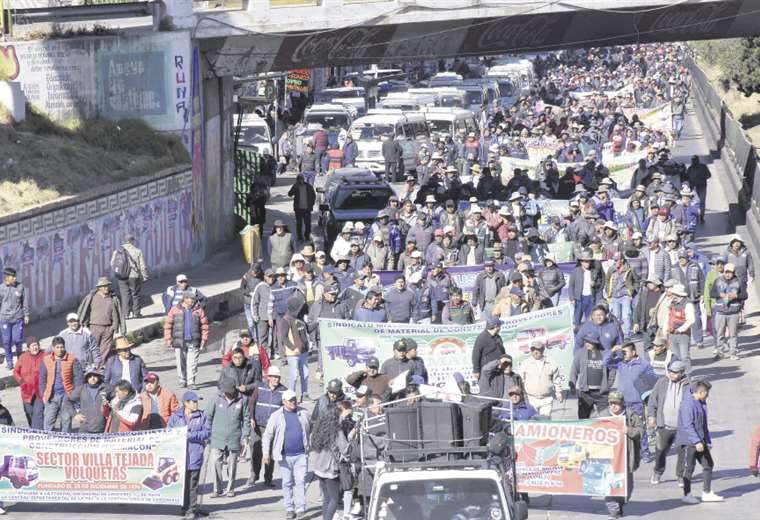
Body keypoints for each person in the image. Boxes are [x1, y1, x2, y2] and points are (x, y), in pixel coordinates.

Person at [262, 389, 311, 520]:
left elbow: (311, 429)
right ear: (284, 402)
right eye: (290, 400)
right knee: (287, 482)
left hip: (301, 454)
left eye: (294, 399)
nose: (294, 402)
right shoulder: (276, 416)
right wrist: (265, 453)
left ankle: (300, 508)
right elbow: (267, 436)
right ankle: (289, 508)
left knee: (300, 481)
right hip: (284, 456)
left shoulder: (304, 413)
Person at [676, 379, 724, 504]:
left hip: (700, 441)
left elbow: (703, 425)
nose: (708, 395)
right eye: (707, 393)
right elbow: (688, 425)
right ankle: (687, 494)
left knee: (708, 464)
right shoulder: (688, 404)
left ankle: (706, 493)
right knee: (689, 468)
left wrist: (707, 441)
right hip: (689, 442)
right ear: (701, 392)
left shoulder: (700, 403)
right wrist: (697, 441)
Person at [168, 390, 212, 520]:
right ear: (186, 403)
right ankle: (184, 507)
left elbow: (208, 432)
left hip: (195, 455)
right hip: (180, 456)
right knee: (183, 484)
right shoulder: (176, 416)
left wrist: (191, 435)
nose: (196, 404)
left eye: (197, 401)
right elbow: (168, 431)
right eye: (193, 401)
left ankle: (192, 509)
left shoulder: (202, 416)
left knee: (193, 484)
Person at [207, 377, 250, 498]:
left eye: (229, 391)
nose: (227, 393)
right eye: (224, 391)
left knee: (232, 465)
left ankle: (230, 488)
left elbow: (246, 419)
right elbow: (208, 417)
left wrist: (245, 436)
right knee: (216, 463)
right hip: (217, 438)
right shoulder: (215, 399)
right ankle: (217, 489)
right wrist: (207, 434)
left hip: (234, 438)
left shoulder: (243, 400)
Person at [647, 360, 689, 486]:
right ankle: (657, 472)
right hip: (664, 425)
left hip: (682, 427)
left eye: (675, 372)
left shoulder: (689, 385)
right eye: (670, 371)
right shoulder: (662, 382)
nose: (671, 374)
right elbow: (652, 400)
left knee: (682, 453)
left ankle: (680, 476)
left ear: (682, 373)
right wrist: (651, 416)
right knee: (660, 450)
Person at [605, 391, 643, 519]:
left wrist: (629, 430)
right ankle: (614, 509)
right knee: (610, 484)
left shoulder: (631, 415)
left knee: (627, 487)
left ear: (622, 404)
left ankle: (620, 503)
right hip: (609, 458)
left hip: (627, 458)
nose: (613, 406)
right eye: (611, 403)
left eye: (616, 403)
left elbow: (641, 431)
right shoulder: (603, 416)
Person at [310, 406, 352, 520]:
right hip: (330, 469)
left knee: (327, 498)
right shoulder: (337, 431)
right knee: (335, 498)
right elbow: (345, 449)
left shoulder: (320, 429)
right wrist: (352, 436)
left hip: (319, 467)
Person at [248, 365, 286, 489]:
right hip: (258, 426)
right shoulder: (260, 388)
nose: (276, 379)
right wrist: (252, 418)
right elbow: (252, 403)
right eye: (274, 377)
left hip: (273, 428)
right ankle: (254, 475)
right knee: (255, 451)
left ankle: (268, 478)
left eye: (278, 377)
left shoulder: (284, 391)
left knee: (270, 454)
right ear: (268, 377)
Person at [164, 291, 210, 389]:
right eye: (191, 299)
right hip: (179, 341)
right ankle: (182, 380)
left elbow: (205, 326)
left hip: (194, 341)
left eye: (194, 299)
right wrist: (168, 339)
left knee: (192, 363)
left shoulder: (199, 310)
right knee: (181, 362)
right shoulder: (174, 309)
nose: (193, 301)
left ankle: (191, 382)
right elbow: (168, 325)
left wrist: (204, 340)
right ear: (185, 299)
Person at [76, 276, 125, 367]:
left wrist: (114, 327)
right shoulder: (92, 297)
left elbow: (118, 313)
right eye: (103, 286)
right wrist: (82, 324)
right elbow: (85, 311)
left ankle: (99, 368)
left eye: (107, 286)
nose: (106, 288)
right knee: (92, 348)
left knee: (105, 350)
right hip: (94, 327)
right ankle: (89, 367)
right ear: (99, 288)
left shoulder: (113, 298)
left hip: (108, 328)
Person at [38, 336, 84, 432]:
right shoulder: (46, 360)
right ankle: (48, 443)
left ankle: (65, 442)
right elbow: (42, 379)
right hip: (51, 396)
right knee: (48, 422)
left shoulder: (72, 359)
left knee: (66, 421)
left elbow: (79, 379)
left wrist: (74, 395)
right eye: (57, 347)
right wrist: (43, 394)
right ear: (53, 348)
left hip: (66, 397)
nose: (60, 349)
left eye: (62, 347)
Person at [569, 333, 612, 419]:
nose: (586, 344)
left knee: (606, 418)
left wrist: (608, 383)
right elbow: (574, 369)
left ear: (596, 342)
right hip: (585, 392)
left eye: (589, 342)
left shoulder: (605, 353)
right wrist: (572, 384)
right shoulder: (580, 353)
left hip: (601, 392)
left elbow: (612, 369)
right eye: (585, 341)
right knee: (583, 419)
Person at [710, 262, 746, 360]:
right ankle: (720, 352)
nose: (727, 274)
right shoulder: (718, 280)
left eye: (730, 272)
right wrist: (719, 295)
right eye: (726, 272)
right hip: (720, 311)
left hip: (733, 311)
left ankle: (733, 353)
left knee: (733, 334)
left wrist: (736, 296)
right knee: (719, 333)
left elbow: (745, 295)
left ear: (733, 272)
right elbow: (711, 293)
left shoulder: (739, 281)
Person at [277, 294, 310, 401]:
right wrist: (293, 348)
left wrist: (318, 323)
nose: (301, 309)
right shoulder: (286, 320)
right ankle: (291, 395)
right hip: (293, 354)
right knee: (294, 376)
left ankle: (304, 394)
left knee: (305, 374)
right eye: (299, 307)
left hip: (304, 352)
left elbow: (308, 330)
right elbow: (284, 338)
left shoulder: (300, 318)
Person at [518, 340, 563, 419]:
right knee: (531, 421)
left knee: (545, 422)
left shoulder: (551, 363)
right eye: (533, 349)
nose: (535, 352)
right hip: (531, 398)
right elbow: (521, 380)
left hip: (547, 399)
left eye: (537, 349)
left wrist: (558, 393)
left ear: (542, 350)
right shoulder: (525, 364)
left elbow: (557, 380)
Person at [110, 233, 149, 319]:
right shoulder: (137, 251)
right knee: (135, 294)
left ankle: (126, 314)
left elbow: (112, 263)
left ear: (125, 240)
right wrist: (145, 276)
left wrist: (119, 272)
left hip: (121, 276)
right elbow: (143, 266)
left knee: (124, 295)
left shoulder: (117, 251)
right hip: (134, 276)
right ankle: (136, 313)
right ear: (132, 241)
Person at [0, 266, 30, 370]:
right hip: (5, 320)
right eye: (12, 277)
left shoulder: (20, 287)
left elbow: (24, 301)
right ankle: (9, 362)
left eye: (15, 276)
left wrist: (26, 315)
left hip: (18, 319)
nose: (15, 278)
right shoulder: (1, 288)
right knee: (7, 341)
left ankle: (20, 360)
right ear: (6, 277)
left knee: (18, 340)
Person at [12, 336, 44, 429]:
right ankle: (33, 432)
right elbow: (15, 371)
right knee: (29, 413)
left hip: (40, 392)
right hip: (26, 392)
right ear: (28, 348)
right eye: (33, 346)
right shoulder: (23, 357)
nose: (35, 347)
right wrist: (21, 381)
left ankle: (37, 436)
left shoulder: (45, 356)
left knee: (38, 414)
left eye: (37, 345)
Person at [568, 249, 604, 328]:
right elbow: (571, 286)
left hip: (590, 298)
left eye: (589, 261)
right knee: (577, 320)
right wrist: (572, 298)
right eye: (585, 261)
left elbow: (600, 282)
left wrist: (595, 284)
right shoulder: (575, 271)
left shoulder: (593, 271)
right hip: (579, 299)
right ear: (581, 262)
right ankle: (577, 336)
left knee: (590, 319)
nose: (587, 263)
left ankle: (589, 337)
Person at [70, 365, 109, 434]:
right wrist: (75, 414)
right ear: (86, 378)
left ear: (99, 376)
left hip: (103, 429)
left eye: (95, 376)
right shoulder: (81, 389)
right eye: (90, 376)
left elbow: (118, 399)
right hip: (85, 429)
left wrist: (111, 406)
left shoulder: (106, 388)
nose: (92, 378)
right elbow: (67, 401)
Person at [472, 316, 505, 381]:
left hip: (498, 370)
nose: (500, 327)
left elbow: (502, 351)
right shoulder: (482, 338)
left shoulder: (497, 337)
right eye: (500, 325)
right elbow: (475, 354)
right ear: (496, 326)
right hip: (487, 372)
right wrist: (476, 370)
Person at [251, 268, 275, 354]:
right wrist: (255, 316)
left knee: (274, 336)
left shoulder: (275, 286)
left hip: (274, 316)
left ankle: (273, 352)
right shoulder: (260, 286)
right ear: (265, 277)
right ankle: (264, 355)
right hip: (262, 317)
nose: (271, 278)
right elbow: (254, 302)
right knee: (263, 337)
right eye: (269, 276)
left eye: (273, 277)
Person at [288, 174, 317, 242]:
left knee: (308, 224)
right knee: (299, 224)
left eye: (301, 179)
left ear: (303, 180)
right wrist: (295, 188)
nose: (300, 181)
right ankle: (300, 237)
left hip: (307, 209)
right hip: (298, 209)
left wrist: (311, 204)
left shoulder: (308, 186)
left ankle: (307, 236)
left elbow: (313, 196)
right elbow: (289, 194)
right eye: (298, 180)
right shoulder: (295, 186)